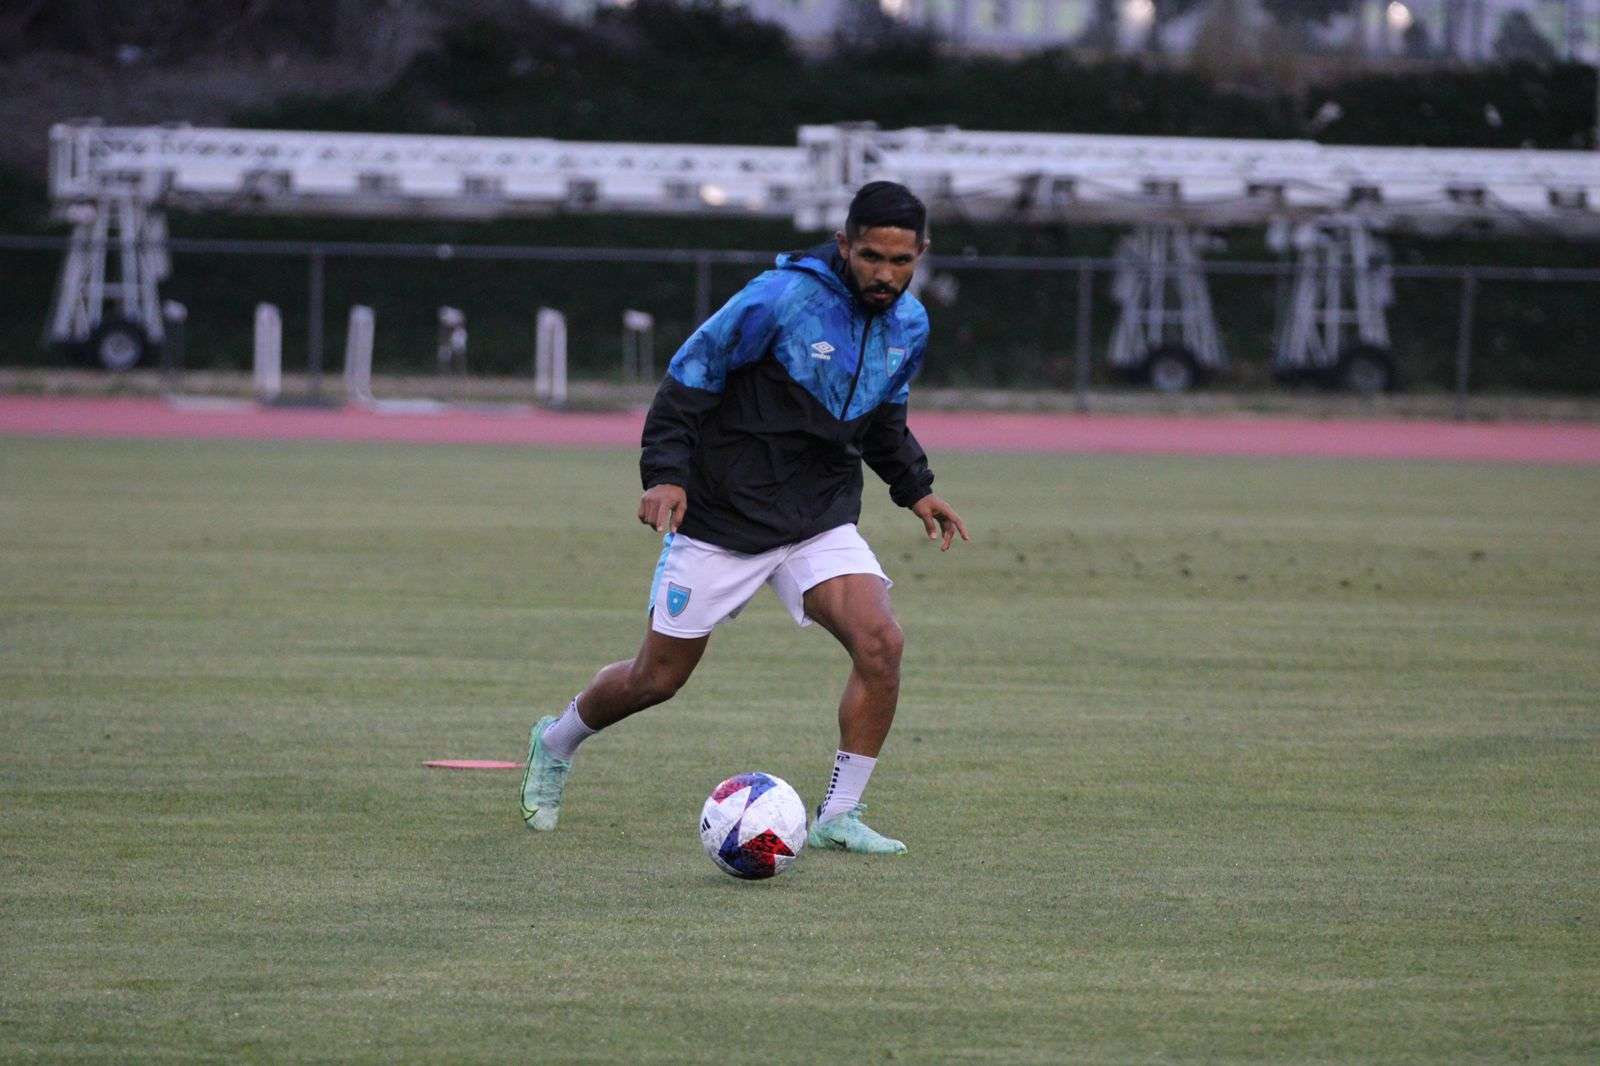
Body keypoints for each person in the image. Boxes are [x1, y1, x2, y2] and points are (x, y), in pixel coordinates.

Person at [519, 180, 968, 854]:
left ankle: (838, 815)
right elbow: (690, 375)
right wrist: (665, 474)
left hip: (818, 515)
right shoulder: (781, 298)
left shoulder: (911, 325)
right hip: (725, 516)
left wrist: (916, 489)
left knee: (881, 643)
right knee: (657, 678)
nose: (885, 274)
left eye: (901, 261)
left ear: (922, 255)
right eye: (871, 256)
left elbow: (882, 418)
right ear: (845, 245)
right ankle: (556, 742)